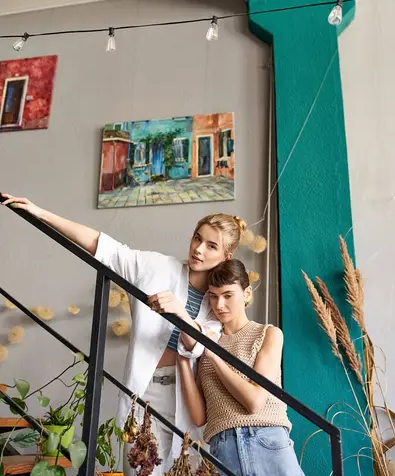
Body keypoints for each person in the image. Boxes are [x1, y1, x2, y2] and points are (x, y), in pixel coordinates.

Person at [0, 193, 246, 475]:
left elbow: (196, 346)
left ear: (226, 256)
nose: (198, 249)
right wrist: (41, 212)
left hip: (187, 399)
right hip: (145, 392)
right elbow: (105, 248)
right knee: (138, 470)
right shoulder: (158, 267)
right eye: (196, 238)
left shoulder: (218, 304)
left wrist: (179, 311)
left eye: (211, 246)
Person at [178, 259, 304, 476]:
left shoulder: (267, 334)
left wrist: (213, 353)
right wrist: (182, 355)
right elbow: (199, 417)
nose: (219, 305)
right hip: (223, 448)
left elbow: (255, 402)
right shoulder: (207, 343)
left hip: (267, 440)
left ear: (246, 294)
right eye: (213, 296)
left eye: (228, 295)